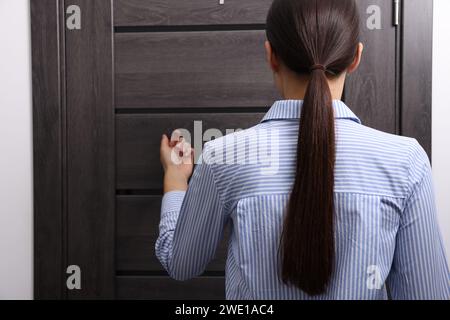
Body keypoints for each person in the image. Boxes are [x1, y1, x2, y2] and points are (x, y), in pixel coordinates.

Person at [156, 0, 450, 299]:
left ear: (270, 55)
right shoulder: (406, 162)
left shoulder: (222, 157)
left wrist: (176, 182)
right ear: (355, 57)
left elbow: (181, 264)